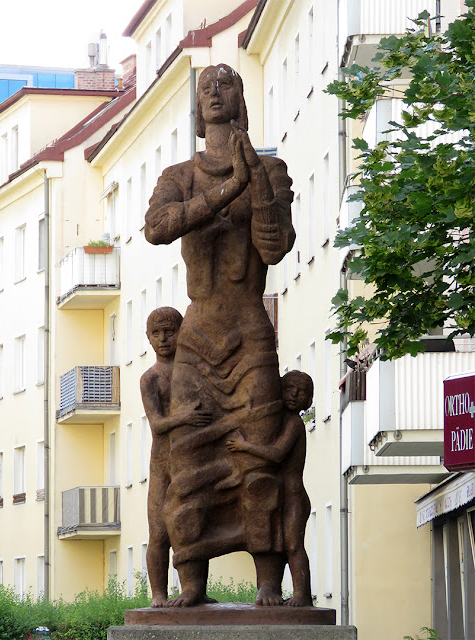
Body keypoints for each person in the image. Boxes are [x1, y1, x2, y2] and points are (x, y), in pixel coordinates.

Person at [145, 64, 295, 607]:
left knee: (259, 456)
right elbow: (157, 227)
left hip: (249, 327)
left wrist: (253, 179)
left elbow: (275, 245)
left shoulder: (270, 169)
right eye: (205, 84)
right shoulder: (180, 174)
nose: (213, 90)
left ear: (240, 101)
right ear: (196, 107)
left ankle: (269, 583)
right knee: (189, 457)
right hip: (200, 332)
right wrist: (228, 186)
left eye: (225, 82)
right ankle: (191, 585)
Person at [140, 307, 213, 607]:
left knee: (194, 524)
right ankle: (159, 594)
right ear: (148, 338)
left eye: (169, 331)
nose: (164, 338)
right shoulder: (151, 379)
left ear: (181, 331)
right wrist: (184, 417)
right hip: (162, 462)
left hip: (192, 457)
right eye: (156, 333)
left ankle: (195, 589)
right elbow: (157, 424)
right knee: (159, 530)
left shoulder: (193, 372)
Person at [226, 370, 314, 607]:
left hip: (293, 494)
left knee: (293, 545)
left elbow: (276, 454)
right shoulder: (278, 421)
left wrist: (245, 445)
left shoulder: (294, 423)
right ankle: (281, 588)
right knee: (281, 543)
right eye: (289, 389)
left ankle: (302, 595)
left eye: (301, 391)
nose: (294, 395)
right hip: (281, 493)